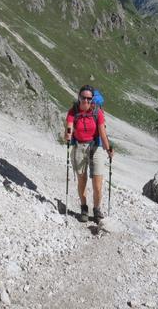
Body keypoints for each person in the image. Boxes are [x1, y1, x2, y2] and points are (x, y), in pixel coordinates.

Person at [64, 85, 113, 222]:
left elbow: (102, 133)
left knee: (97, 185)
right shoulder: (73, 112)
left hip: (95, 147)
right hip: (79, 147)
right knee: (82, 181)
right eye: (83, 97)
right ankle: (84, 208)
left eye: (88, 98)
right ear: (79, 97)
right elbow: (69, 127)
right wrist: (68, 134)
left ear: (92, 99)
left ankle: (97, 209)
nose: (86, 100)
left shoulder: (98, 112)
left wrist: (108, 149)